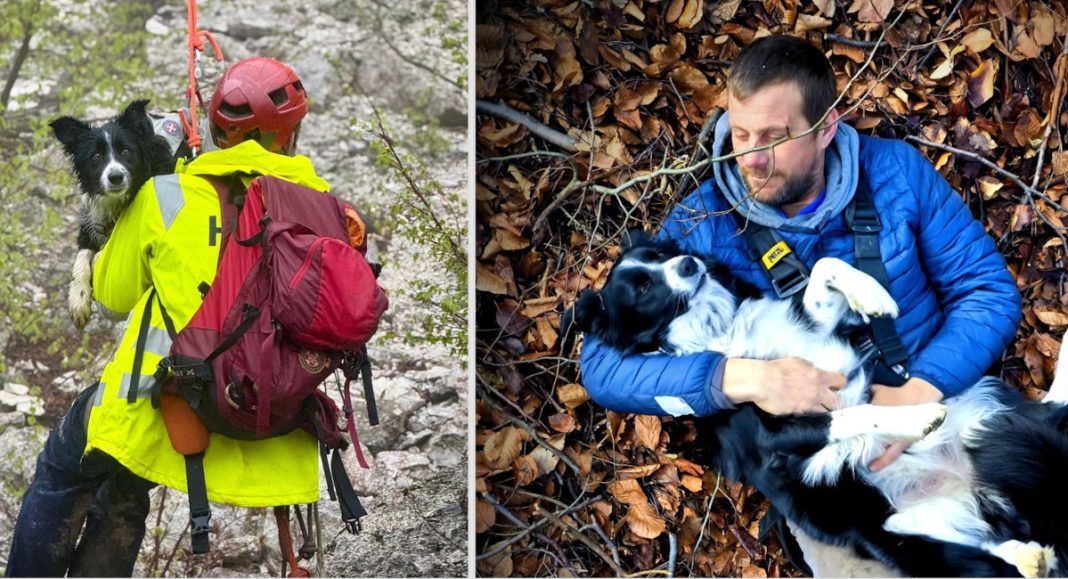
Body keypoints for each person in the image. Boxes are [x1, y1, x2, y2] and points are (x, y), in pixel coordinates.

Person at [577, 35, 1021, 574]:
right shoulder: (704, 223)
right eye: (740, 134)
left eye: (774, 137)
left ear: (825, 127)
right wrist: (744, 379)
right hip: (844, 481)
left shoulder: (896, 174)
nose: (751, 158)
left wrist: (922, 387)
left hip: (949, 410)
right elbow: (601, 368)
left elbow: (987, 291)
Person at [7, 56, 348, 576]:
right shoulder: (324, 209)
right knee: (124, 491)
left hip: (160, 402)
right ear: (292, 133)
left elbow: (112, 300)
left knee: (61, 474)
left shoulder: (167, 194)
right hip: (272, 425)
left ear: (214, 130)